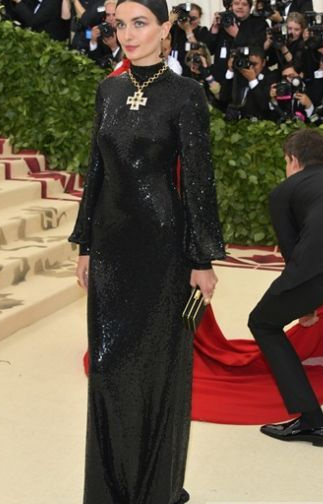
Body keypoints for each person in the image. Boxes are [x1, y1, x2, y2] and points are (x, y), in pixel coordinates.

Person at [68, 0, 225, 502]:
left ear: (165, 28)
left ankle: (157, 490)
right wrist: (85, 243)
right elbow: (96, 168)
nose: (129, 34)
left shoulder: (185, 94)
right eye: (121, 25)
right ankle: (109, 490)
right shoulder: (108, 89)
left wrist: (201, 258)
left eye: (140, 24)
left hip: (163, 249)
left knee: (158, 369)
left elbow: (198, 179)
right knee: (108, 368)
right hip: (111, 249)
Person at [248, 129, 323, 447]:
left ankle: (312, 422)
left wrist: (305, 308)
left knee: (263, 322)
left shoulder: (285, 191)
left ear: (293, 160)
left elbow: (293, 254)